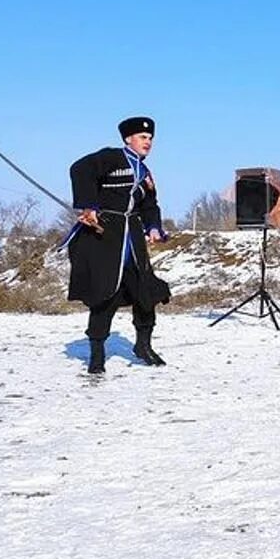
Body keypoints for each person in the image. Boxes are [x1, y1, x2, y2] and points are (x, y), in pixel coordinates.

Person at [66, 116, 171, 374]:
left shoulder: (145, 173)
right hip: (106, 239)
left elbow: (150, 205)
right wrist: (89, 206)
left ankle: (143, 346)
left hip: (133, 241)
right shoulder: (110, 158)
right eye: (143, 138)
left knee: (146, 292)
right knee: (105, 295)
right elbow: (79, 169)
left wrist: (153, 227)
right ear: (128, 139)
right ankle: (97, 354)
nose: (148, 142)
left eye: (150, 139)